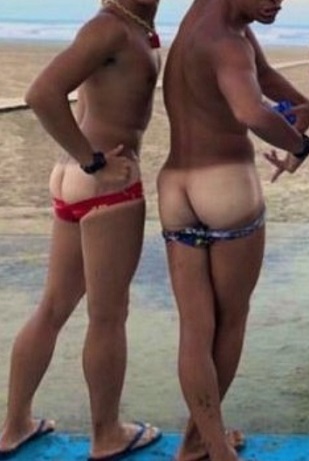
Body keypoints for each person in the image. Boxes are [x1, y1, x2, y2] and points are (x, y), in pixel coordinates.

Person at [0, 1, 164, 459]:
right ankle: (107, 433)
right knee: (108, 315)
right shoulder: (110, 28)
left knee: (53, 307)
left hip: (74, 177)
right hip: (102, 180)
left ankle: (15, 426)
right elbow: (42, 93)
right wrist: (92, 160)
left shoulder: (131, 27)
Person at [160, 0, 309, 459]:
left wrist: (305, 105)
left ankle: (199, 442)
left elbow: (261, 75)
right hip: (225, 186)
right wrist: (300, 145)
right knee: (230, 321)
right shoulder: (228, 42)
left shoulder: (206, 22)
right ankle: (211, 446)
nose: (277, 2)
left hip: (176, 188)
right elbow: (251, 112)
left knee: (195, 329)